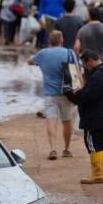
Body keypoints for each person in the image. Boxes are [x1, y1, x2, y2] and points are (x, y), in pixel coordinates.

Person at [65, 50, 103, 184]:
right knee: (101, 143)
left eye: (85, 64)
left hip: (94, 117)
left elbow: (88, 96)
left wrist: (74, 94)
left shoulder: (97, 76)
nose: (85, 67)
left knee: (93, 144)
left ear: (90, 61)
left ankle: (97, 175)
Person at [27, 31, 74, 160]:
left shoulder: (43, 53)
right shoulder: (69, 53)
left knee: (51, 120)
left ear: (50, 41)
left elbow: (29, 61)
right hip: (66, 93)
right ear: (61, 40)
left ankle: (53, 148)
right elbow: (76, 71)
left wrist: (38, 60)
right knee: (67, 121)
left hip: (49, 94)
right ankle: (67, 149)